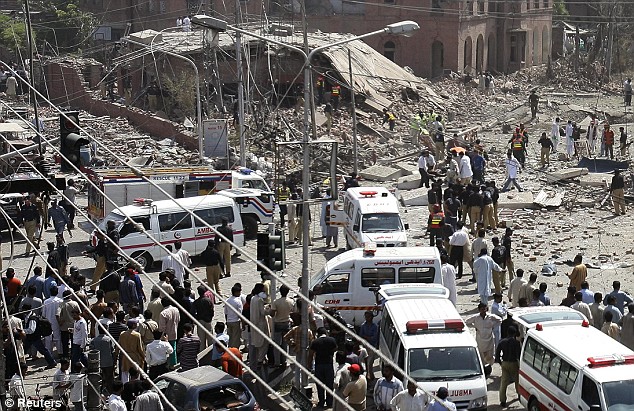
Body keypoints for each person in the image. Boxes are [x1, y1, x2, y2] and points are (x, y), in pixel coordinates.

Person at [466, 303, 502, 373]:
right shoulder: (476, 317)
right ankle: (482, 368)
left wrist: (493, 326)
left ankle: (489, 366)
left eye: (485, 309)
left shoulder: (491, 317)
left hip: (489, 338)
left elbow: (500, 320)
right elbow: (467, 322)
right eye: (482, 309)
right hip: (480, 340)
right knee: (481, 354)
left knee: (490, 353)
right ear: (479, 310)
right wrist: (475, 327)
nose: (483, 311)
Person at [309, 327, 338, 408]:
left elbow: (310, 355)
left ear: (318, 334)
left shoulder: (315, 342)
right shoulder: (332, 340)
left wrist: (309, 366)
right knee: (329, 385)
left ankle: (321, 402)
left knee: (320, 385)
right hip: (329, 365)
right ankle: (329, 403)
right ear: (326, 332)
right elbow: (335, 349)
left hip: (319, 365)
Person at [495, 326, 521, 407]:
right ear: (514, 334)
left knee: (504, 382)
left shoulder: (502, 342)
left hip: (505, 363)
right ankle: (519, 394)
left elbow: (497, 354)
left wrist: (500, 362)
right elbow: (518, 355)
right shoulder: (516, 343)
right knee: (517, 380)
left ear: (507, 333)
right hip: (514, 363)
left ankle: (502, 400)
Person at [270, 284, 294, 367]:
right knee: (285, 344)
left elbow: (272, 314)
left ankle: (277, 362)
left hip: (278, 323)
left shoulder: (276, 302)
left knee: (277, 344)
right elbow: (292, 311)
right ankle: (284, 361)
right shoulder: (291, 301)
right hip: (287, 323)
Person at [250, 283, 271, 366]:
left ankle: (260, 358)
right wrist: (268, 308)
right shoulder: (259, 300)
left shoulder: (252, 298)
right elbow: (263, 312)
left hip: (254, 323)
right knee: (264, 343)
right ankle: (260, 360)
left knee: (257, 342)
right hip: (261, 324)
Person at [90, 324, 115, 393]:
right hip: (108, 362)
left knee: (99, 379)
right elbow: (112, 351)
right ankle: (110, 391)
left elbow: (91, 351)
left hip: (99, 363)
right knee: (109, 378)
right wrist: (114, 361)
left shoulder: (94, 340)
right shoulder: (108, 339)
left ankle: (100, 391)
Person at [158, 298, 180, 366]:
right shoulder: (176, 310)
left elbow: (162, 327)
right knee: (173, 350)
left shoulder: (163, 313)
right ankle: (173, 365)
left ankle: (166, 365)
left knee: (164, 351)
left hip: (165, 335)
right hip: (174, 332)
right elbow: (178, 320)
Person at [192, 285, 214, 351]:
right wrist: (210, 317)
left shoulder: (196, 302)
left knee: (201, 339)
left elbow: (192, 312)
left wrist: (196, 319)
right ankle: (211, 353)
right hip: (208, 320)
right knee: (210, 339)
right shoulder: (208, 300)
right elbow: (212, 310)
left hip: (200, 320)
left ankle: (202, 353)